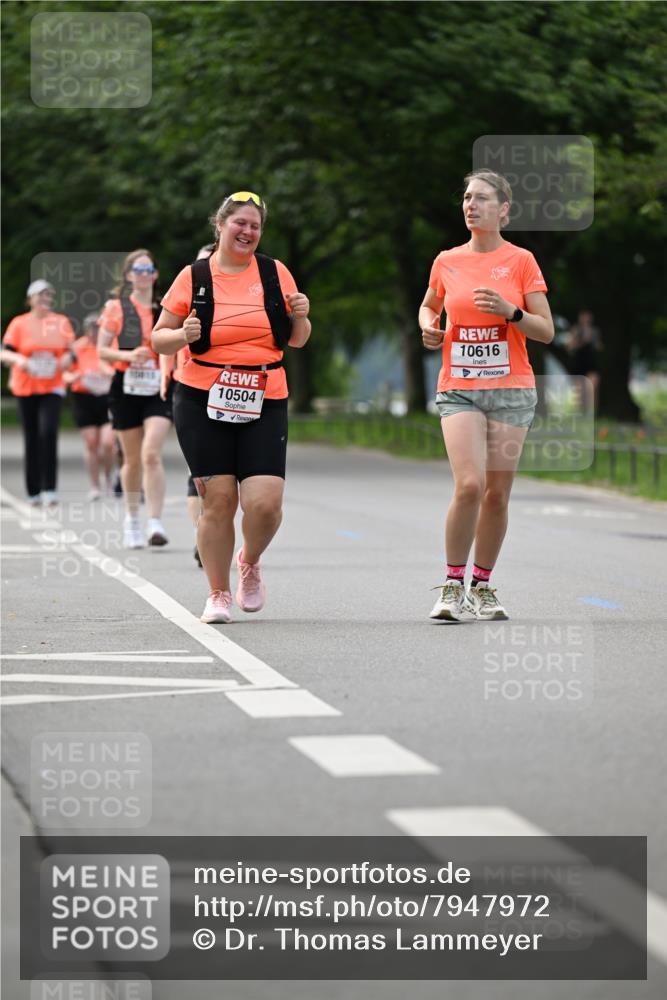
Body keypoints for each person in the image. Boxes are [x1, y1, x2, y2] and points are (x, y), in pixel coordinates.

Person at [152, 191, 311, 623]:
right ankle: (217, 593)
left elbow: (297, 339)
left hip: (264, 393)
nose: (248, 231)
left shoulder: (275, 272)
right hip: (201, 396)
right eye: (240, 222)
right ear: (220, 225)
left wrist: (301, 314)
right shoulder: (194, 276)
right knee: (218, 500)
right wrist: (182, 335)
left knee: (265, 503)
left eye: (255, 226)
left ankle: (250, 560)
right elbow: (158, 338)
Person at [419, 170, 554, 622]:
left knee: (496, 494)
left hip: (512, 390)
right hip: (460, 389)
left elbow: (546, 330)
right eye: (466, 197)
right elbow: (429, 305)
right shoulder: (447, 260)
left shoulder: (521, 261)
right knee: (470, 485)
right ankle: (452, 584)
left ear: (504, 209)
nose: (470, 205)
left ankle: (482, 586)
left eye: (481, 198)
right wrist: (428, 326)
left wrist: (511, 311)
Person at [97, 250, 172, 548]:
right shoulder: (116, 308)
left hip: (158, 387)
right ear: (128, 275)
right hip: (126, 387)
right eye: (137, 270)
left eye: (148, 269)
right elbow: (101, 350)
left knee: (151, 453)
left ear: (155, 274)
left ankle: (155, 522)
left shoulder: (165, 308)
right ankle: (132, 519)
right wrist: (129, 356)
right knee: (132, 459)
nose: (143, 274)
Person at [0, 279, 75, 506]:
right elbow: (5, 353)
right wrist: (20, 360)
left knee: (48, 432)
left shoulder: (61, 322)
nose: (44, 299)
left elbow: (71, 352)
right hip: (26, 388)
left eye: (48, 295)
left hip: (52, 387)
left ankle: (49, 488)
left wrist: (65, 360)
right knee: (31, 437)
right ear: (30, 299)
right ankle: (33, 491)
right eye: (40, 295)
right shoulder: (19, 323)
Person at [64, 313, 115, 500]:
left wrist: (109, 373)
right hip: (84, 398)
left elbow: (118, 369)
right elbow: (65, 374)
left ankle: (108, 478)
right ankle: (95, 485)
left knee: (107, 443)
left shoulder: (110, 347)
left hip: (107, 398)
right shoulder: (77, 348)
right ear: (86, 330)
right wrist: (74, 377)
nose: (94, 332)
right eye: (91, 329)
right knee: (91, 443)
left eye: (97, 328)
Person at [567, 308, 603, 412]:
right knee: (579, 391)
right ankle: (580, 412)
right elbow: (570, 347)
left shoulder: (595, 331)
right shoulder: (575, 330)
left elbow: (599, 347)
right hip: (579, 363)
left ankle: (593, 412)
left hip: (591, 363)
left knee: (593, 388)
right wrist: (581, 341)